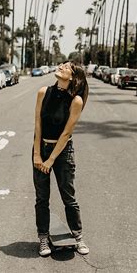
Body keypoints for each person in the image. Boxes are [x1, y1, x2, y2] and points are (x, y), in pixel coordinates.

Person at [32, 61, 89, 257]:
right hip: (42, 148)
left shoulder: (76, 101)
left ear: (73, 77)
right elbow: (38, 123)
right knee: (41, 198)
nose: (61, 67)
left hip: (63, 152)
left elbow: (66, 134)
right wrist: (38, 154)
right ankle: (43, 238)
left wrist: (50, 160)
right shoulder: (43, 92)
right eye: (62, 64)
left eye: (66, 67)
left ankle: (78, 235)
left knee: (68, 197)